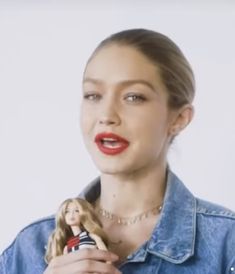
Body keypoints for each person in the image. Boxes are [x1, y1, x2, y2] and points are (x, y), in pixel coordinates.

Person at [0, 28, 235, 274]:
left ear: (178, 118)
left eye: (133, 97)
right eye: (93, 95)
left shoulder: (225, 244)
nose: (106, 115)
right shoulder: (30, 248)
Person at [45, 198, 108, 263]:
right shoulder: (69, 244)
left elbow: (106, 255)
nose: (72, 214)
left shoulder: (91, 236)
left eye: (76, 211)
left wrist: (108, 264)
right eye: (67, 211)